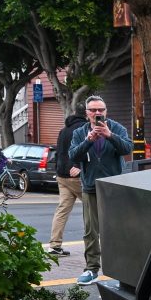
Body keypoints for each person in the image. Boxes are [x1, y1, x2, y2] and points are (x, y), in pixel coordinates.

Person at [68, 97, 133, 285]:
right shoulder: (80, 133)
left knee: (118, 230)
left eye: (100, 110)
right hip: (90, 187)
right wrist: (89, 140)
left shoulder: (117, 128)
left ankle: (122, 271)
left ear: (106, 111)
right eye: (93, 110)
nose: (97, 113)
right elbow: (73, 154)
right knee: (90, 231)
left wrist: (109, 135)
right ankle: (91, 269)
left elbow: (127, 148)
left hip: (114, 187)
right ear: (87, 113)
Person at [47, 109, 85, 256]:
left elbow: (59, 152)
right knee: (93, 208)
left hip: (61, 175)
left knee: (62, 210)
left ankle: (54, 246)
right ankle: (95, 245)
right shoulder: (83, 129)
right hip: (76, 175)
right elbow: (84, 151)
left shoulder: (63, 130)